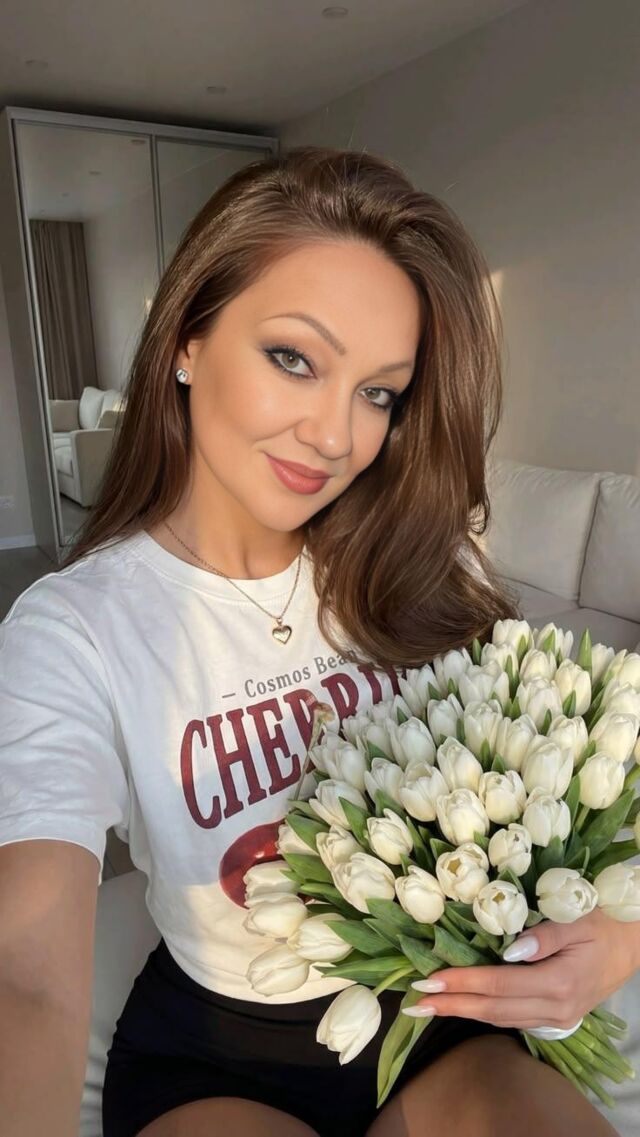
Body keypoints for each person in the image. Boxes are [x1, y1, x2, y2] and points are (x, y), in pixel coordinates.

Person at [0, 146, 630, 1137]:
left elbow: (579, 765)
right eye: (294, 358)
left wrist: (622, 930)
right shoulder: (72, 628)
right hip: (220, 1053)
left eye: (378, 392)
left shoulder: (419, 565)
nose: (336, 436)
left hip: (436, 1020)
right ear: (188, 342)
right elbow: (26, 978)